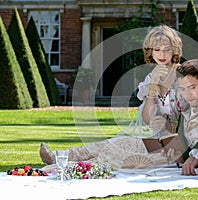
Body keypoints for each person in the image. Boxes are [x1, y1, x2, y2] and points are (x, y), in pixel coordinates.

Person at [39, 24, 185, 169]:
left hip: (177, 148)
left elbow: (192, 118)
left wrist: (169, 125)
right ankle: (60, 158)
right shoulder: (150, 78)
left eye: (167, 49)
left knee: (116, 155)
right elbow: (148, 120)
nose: (161, 55)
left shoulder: (184, 77)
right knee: (115, 145)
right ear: (150, 52)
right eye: (157, 49)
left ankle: (61, 161)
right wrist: (152, 87)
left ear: (174, 50)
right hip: (154, 141)